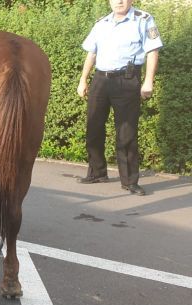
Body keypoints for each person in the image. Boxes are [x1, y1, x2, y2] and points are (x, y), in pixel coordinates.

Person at [76, 0, 162, 196]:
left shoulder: (143, 20)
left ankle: (129, 181)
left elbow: (152, 51)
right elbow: (91, 53)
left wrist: (148, 81)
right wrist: (83, 80)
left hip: (127, 79)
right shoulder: (101, 23)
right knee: (93, 127)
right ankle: (97, 172)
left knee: (126, 132)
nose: (119, 2)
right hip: (100, 79)